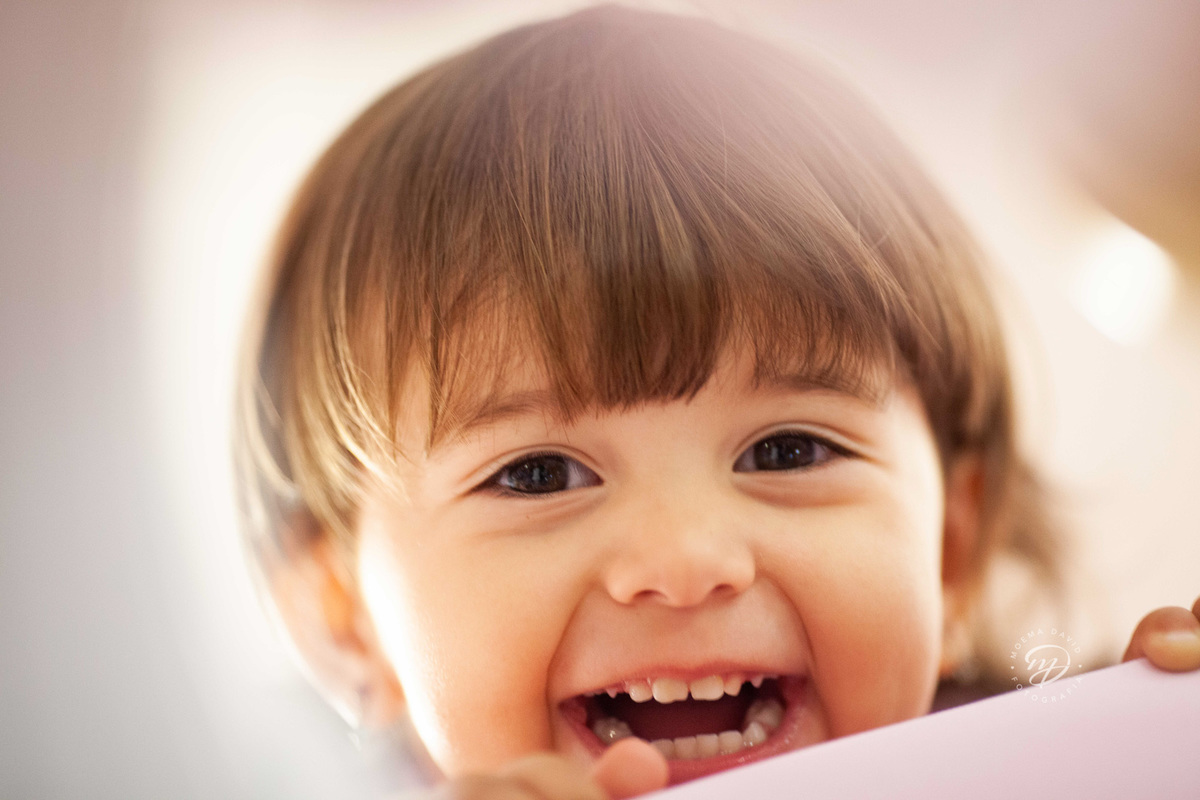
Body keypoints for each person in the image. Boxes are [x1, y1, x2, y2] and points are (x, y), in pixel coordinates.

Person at [233, 6, 1200, 798]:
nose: (688, 563)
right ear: (345, 616)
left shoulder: (1042, 767)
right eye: (537, 474)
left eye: (786, 452)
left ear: (950, 547)